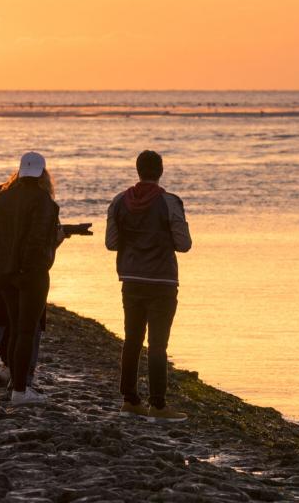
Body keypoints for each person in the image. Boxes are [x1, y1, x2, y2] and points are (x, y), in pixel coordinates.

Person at [105, 150, 192, 421]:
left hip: (131, 279)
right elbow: (184, 244)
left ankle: (130, 400)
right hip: (162, 281)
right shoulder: (169, 202)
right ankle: (158, 405)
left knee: (132, 340)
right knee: (157, 344)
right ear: (161, 170)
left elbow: (111, 242)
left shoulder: (119, 201)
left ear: (138, 170)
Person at [0, 152, 60, 405]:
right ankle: (19, 389)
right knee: (27, 331)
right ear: (42, 174)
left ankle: (14, 385)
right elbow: (39, 241)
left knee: (15, 329)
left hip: (4, 275)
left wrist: (0, 263)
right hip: (31, 276)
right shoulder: (44, 202)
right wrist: (52, 245)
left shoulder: (2, 198)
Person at [0, 172, 42, 388]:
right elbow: (36, 242)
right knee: (19, 326)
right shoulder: (37, 200)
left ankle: (9, 368)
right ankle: (22, 375)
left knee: (1, 325)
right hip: (16, 271)